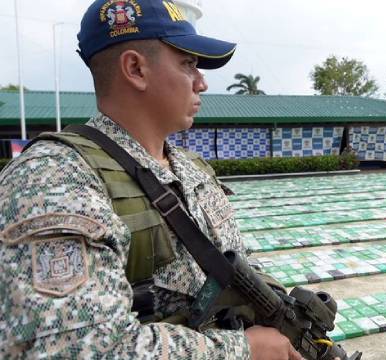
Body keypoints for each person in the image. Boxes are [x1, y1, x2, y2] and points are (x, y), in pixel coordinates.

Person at [0, 0, 302, 359]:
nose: (202, 82)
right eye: (189, 64)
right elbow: (74, 349)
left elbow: (237, 266)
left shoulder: (192, 169)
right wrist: (244, 350)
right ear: (136, 69)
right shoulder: (54, 179)